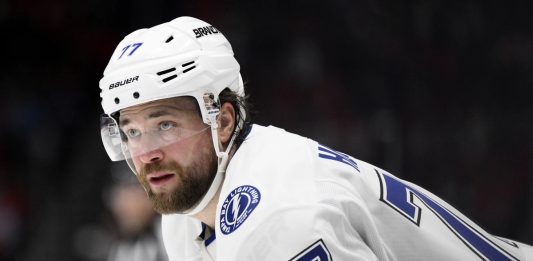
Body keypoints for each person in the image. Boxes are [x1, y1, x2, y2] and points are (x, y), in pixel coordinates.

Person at [98, 16, 533, 260]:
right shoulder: (184, 219)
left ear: (224, 121)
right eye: (132, 132)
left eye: (165, 124)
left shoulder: (284, 221)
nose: (145, 153)